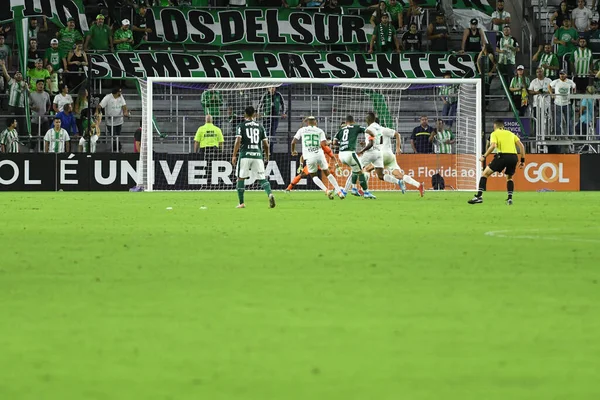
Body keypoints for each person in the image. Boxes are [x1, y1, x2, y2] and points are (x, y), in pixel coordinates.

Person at [468, 119, 525, 206]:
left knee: (484, 174)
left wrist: (484, 156)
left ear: (495, 126)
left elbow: (493, 145)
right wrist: (522, 160)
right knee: (509, 178)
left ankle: (479, 197)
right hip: (513, 157)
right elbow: (521, 146)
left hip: (502, 156)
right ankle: (510, 199)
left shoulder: (494, 133)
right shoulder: (511, 134)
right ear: (503, 126)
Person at [363, 115, 424, 196]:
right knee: (397, 175)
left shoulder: (372, 132)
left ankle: (365, 191)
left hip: (381, 155)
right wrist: (398, 148)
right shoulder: (384, 130)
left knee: (366, 169)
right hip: (390, 156)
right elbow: (397, 134)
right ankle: (418, 185)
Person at [231, 106, 275, 209]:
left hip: (245, 155)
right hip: (257, 155)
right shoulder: (260, 127)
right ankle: (270, 194)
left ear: (245, 114)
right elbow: (266, 144)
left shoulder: (241, 126)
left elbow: (238, 141)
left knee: (240, 178)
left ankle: (241, 203)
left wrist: (234, 155)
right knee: (262, 178)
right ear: (254, 114)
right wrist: (267, 156)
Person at [291, 116, 345, 200]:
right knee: (328, 173)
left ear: (307, 122)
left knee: (314, 176)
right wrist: (330, 142)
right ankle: (339, 192)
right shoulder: (320, 130)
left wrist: (293, 151)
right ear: (315, 122)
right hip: (319, 155)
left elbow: (293, 142)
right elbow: (323, 144)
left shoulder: (302, 130)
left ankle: (326, 191)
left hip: (309, 156)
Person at [332, 116, 372, 197]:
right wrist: (374, 135)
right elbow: (367, 130)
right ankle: (365, 192)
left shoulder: (340, 130)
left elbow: (334, 142)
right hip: (350, 153)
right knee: (361, 171)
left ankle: (351, 189)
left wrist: (342, 144)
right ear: (353, 121)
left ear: (346, 122)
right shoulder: (355, 127)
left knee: (355, 170)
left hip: (341, 155)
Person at [1, 60, 28, 137]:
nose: (18, 75)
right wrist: (3, 65)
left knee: (21, 122)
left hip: (21, 106)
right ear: (14, 76)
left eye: (20, 74)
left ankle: (22, 137)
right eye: (17, 74)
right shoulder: (11, 82)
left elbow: (28, 95)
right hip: (11, 106)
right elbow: (6, 74)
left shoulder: (25, 84)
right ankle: (9, 135)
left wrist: (26, 88)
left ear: (22, 76)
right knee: (10, 121)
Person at [259, 86, 286, 153]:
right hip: (266, 117)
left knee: (273, 133)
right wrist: (259, 113)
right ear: (268, 88)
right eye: (270, 87)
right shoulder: (265, 95)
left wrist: (283, 113)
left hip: (275, 117)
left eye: (273, 87)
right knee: (266, 133)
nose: (272, 89)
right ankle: (264, 149)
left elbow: (283, 104)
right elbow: (260, 105)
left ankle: (271, 151)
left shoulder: (278, 95)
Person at [549, 70, 576, 135]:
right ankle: (558, 135)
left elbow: (574, 86)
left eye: (563, 74)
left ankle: (570, 135)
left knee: (569, 120)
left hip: (567, 103)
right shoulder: (556, 81)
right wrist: (551, 94)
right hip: (558, 103)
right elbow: (549, 86)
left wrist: (573, 94)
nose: (562, 75)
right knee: (558, 121)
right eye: (560, 74)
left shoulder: (570, 81)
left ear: (566, 75)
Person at [528, 68, 553, 136]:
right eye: (537, 72)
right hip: (537, 104)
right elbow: (530, 91)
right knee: (537, 120)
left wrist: (547, 92)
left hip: (546, 104)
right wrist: (536, 92)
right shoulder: (534, 81)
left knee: (547, 119)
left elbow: (553, 89)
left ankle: (547, 134)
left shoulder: (548, 80)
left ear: (543, 72)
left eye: (540, 72)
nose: (539, 73)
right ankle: (537, 134)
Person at [29, 79, 51, 147]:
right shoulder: (32, 94)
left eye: (42, 84)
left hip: (44, 119)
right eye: (39, 84)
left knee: (45, 135)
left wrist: (47, 111)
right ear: (36, 85)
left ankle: (43, 149)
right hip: (34, 118)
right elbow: (28, 106)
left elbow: (49, 104)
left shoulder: (46, 94)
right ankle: (32, 149)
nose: (41, 86)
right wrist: (33, 108)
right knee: (33, 135)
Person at [477, 44, 497, 108]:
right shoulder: (481, 53)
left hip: (488, 73)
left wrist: (491, 72)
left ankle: (486, 104)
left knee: (486, 88)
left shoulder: (490, 55)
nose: (482, 47)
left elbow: (494, 65)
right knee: (481, 88)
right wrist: (480, 71)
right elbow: (477, 62)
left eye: (483, 46)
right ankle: (481, 103)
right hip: (482, 73)